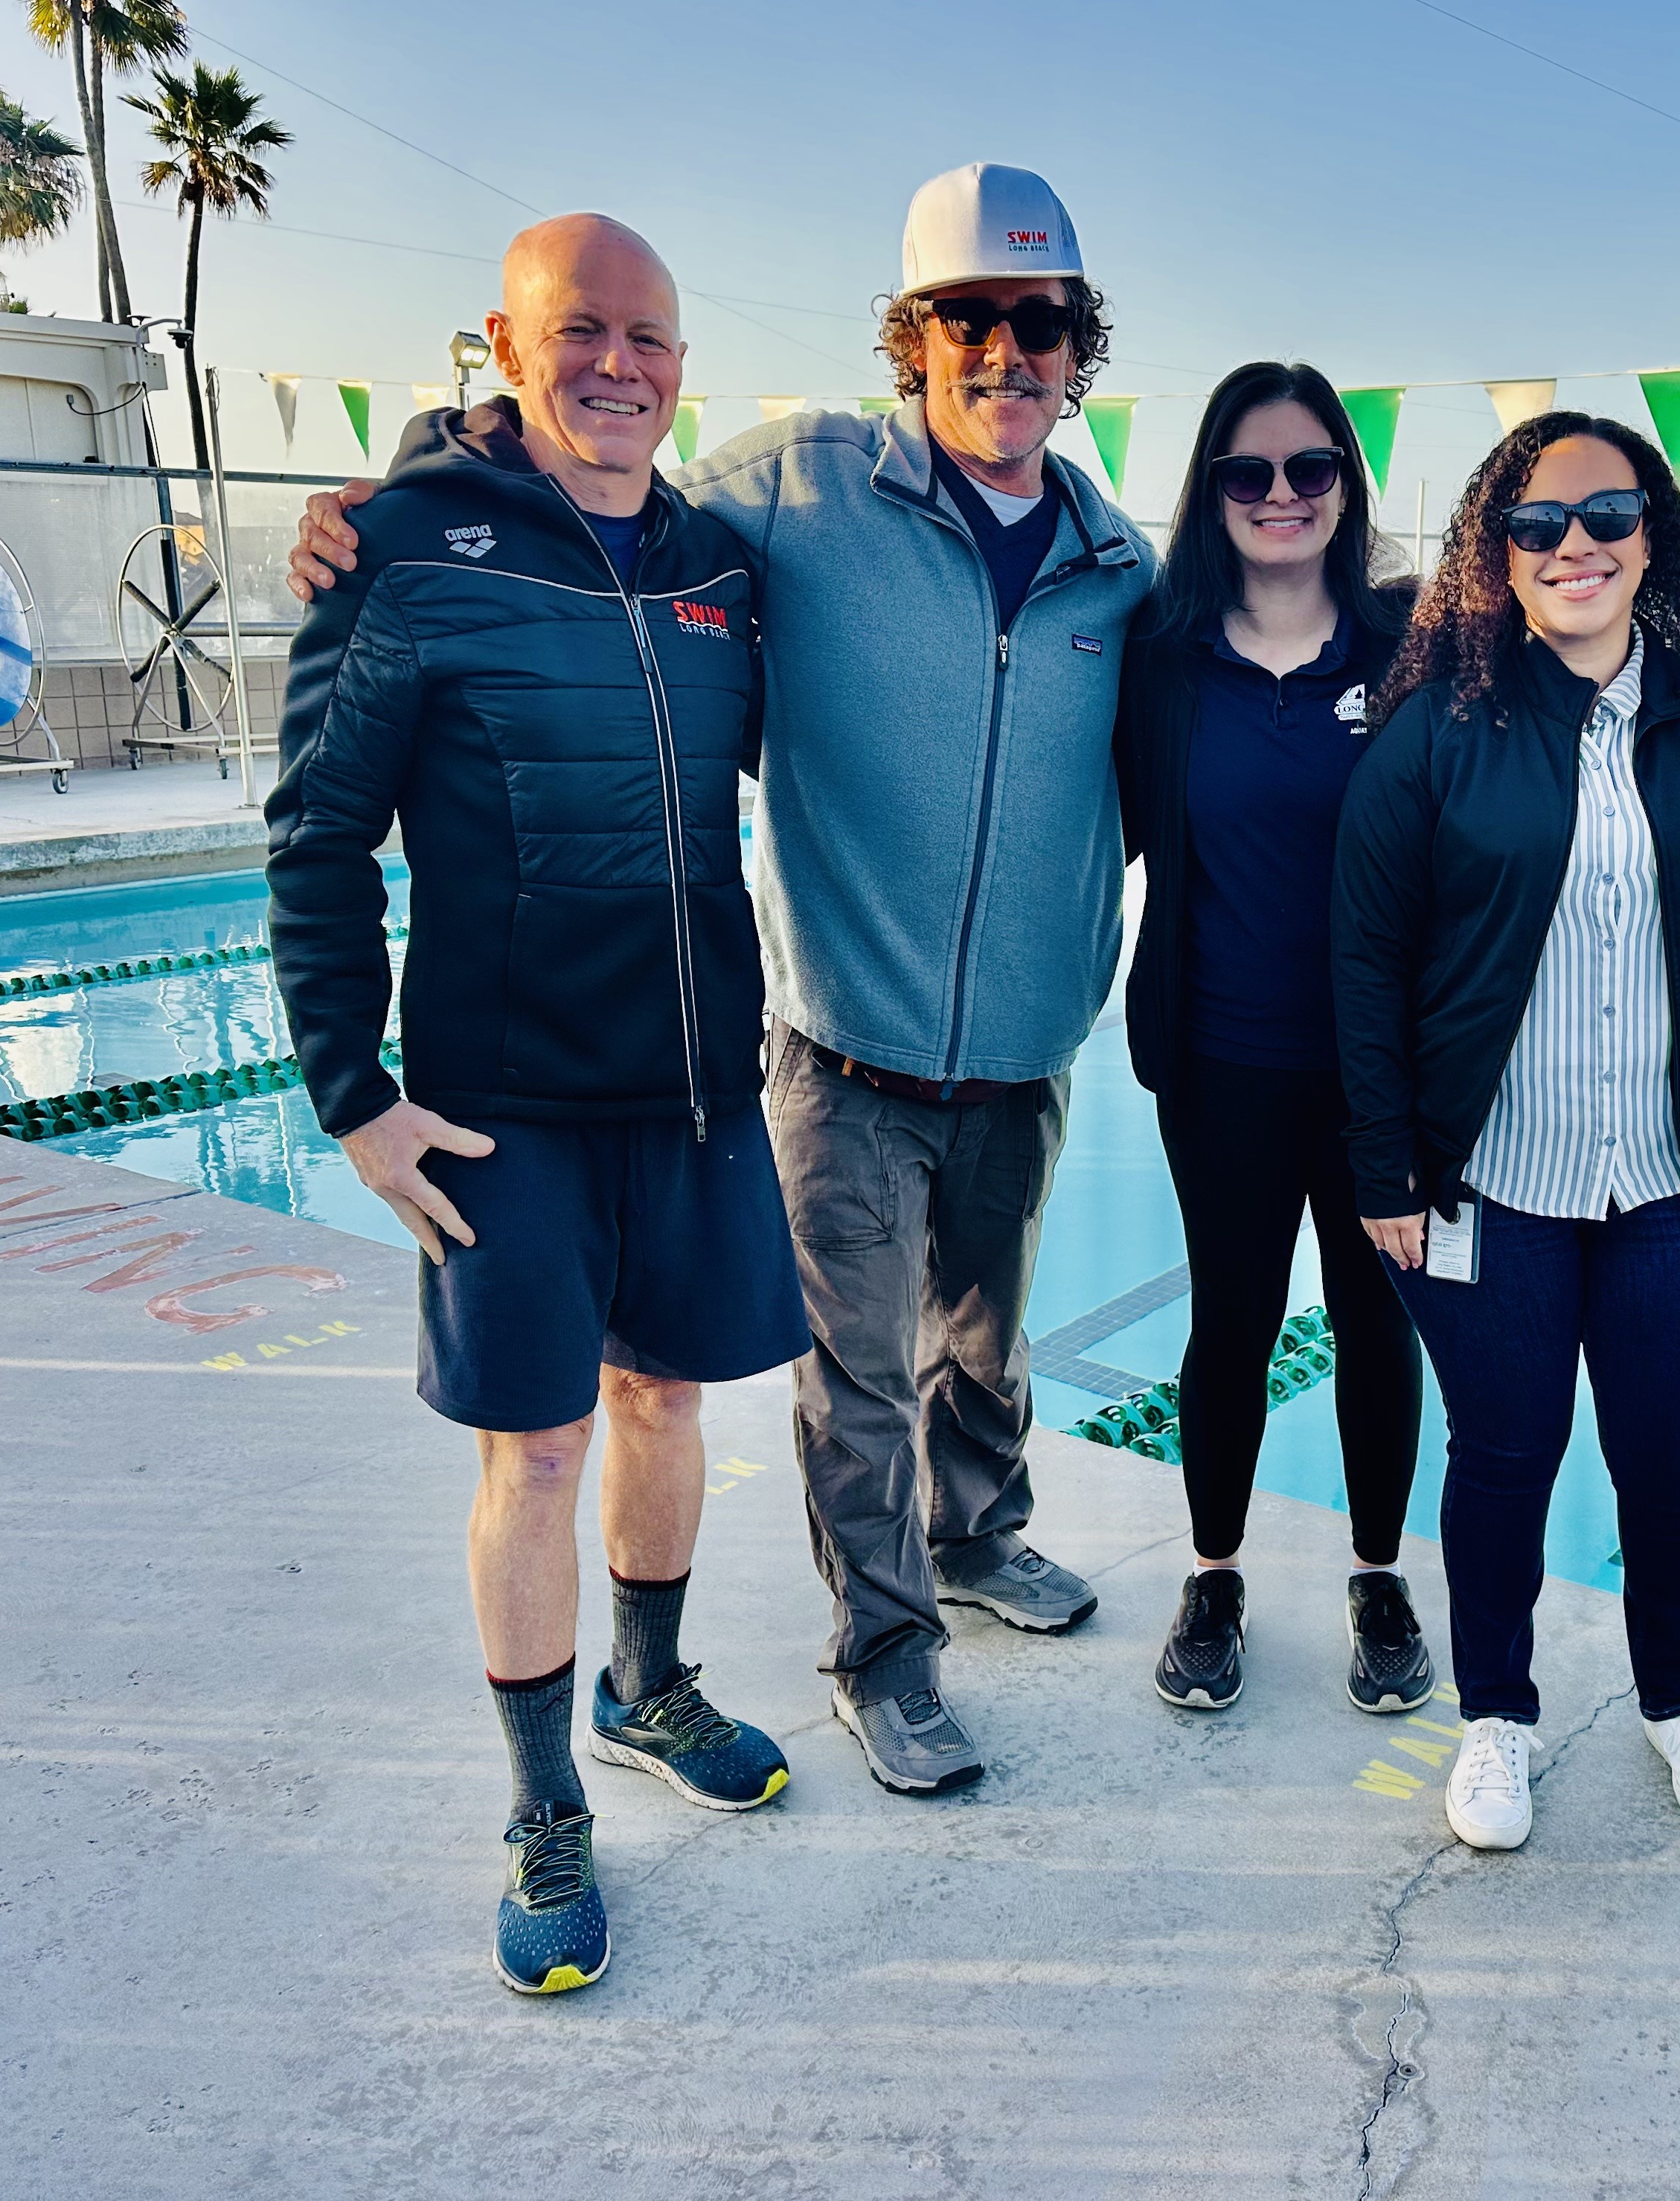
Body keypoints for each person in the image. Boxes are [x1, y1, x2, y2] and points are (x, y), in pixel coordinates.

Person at [289, 166, 1154, 1799]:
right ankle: (869, 1663)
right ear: (914, 337)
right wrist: (405, 482)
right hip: (818, 1038)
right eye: (968, 317)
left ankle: (951, 1553)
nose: (1006, 351)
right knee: (836, 1387)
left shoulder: (1115, 562)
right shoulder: (797, 489)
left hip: (970, 1046)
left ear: (1075, 345)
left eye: (1040, 321)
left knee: (961, 1345)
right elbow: (563, 493)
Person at [267, 215, 807, 1996]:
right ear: (506, 345)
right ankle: (543, 1804)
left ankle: (648, 1691)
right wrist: (356, 1100)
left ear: (683, 364)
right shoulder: (403, 551)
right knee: (541, 1450)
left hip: (696, 1094)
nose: (619, 366)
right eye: (581, 331)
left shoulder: (724, 569)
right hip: (504, 1110)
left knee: (664, 1403)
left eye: (650, 337)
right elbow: (319, 838)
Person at [1333, 411, 1680, 1856]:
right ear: (1501, 551)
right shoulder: (1440, 729)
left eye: (1607, 514)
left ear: (1654, 534)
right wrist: (1384, 1160)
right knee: (1502, 1455)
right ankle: (1498, 1715)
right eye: (1539, 524)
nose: (1575, 545)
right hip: (1492, 1184)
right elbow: (1365, 955)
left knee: (1673, 1462)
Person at [1115, 362, 1429, 1715]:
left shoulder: (1409, 649)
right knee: (1232, 1321)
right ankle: (1214, 1573)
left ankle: (1379, 1574)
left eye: (1311, 468)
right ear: (1212, 491)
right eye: (1249, 472)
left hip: (1378, 1075)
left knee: (1377, 1321)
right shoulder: (1166, 660)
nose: (1281, 494)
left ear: (1348, 484)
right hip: (1221, 1061)